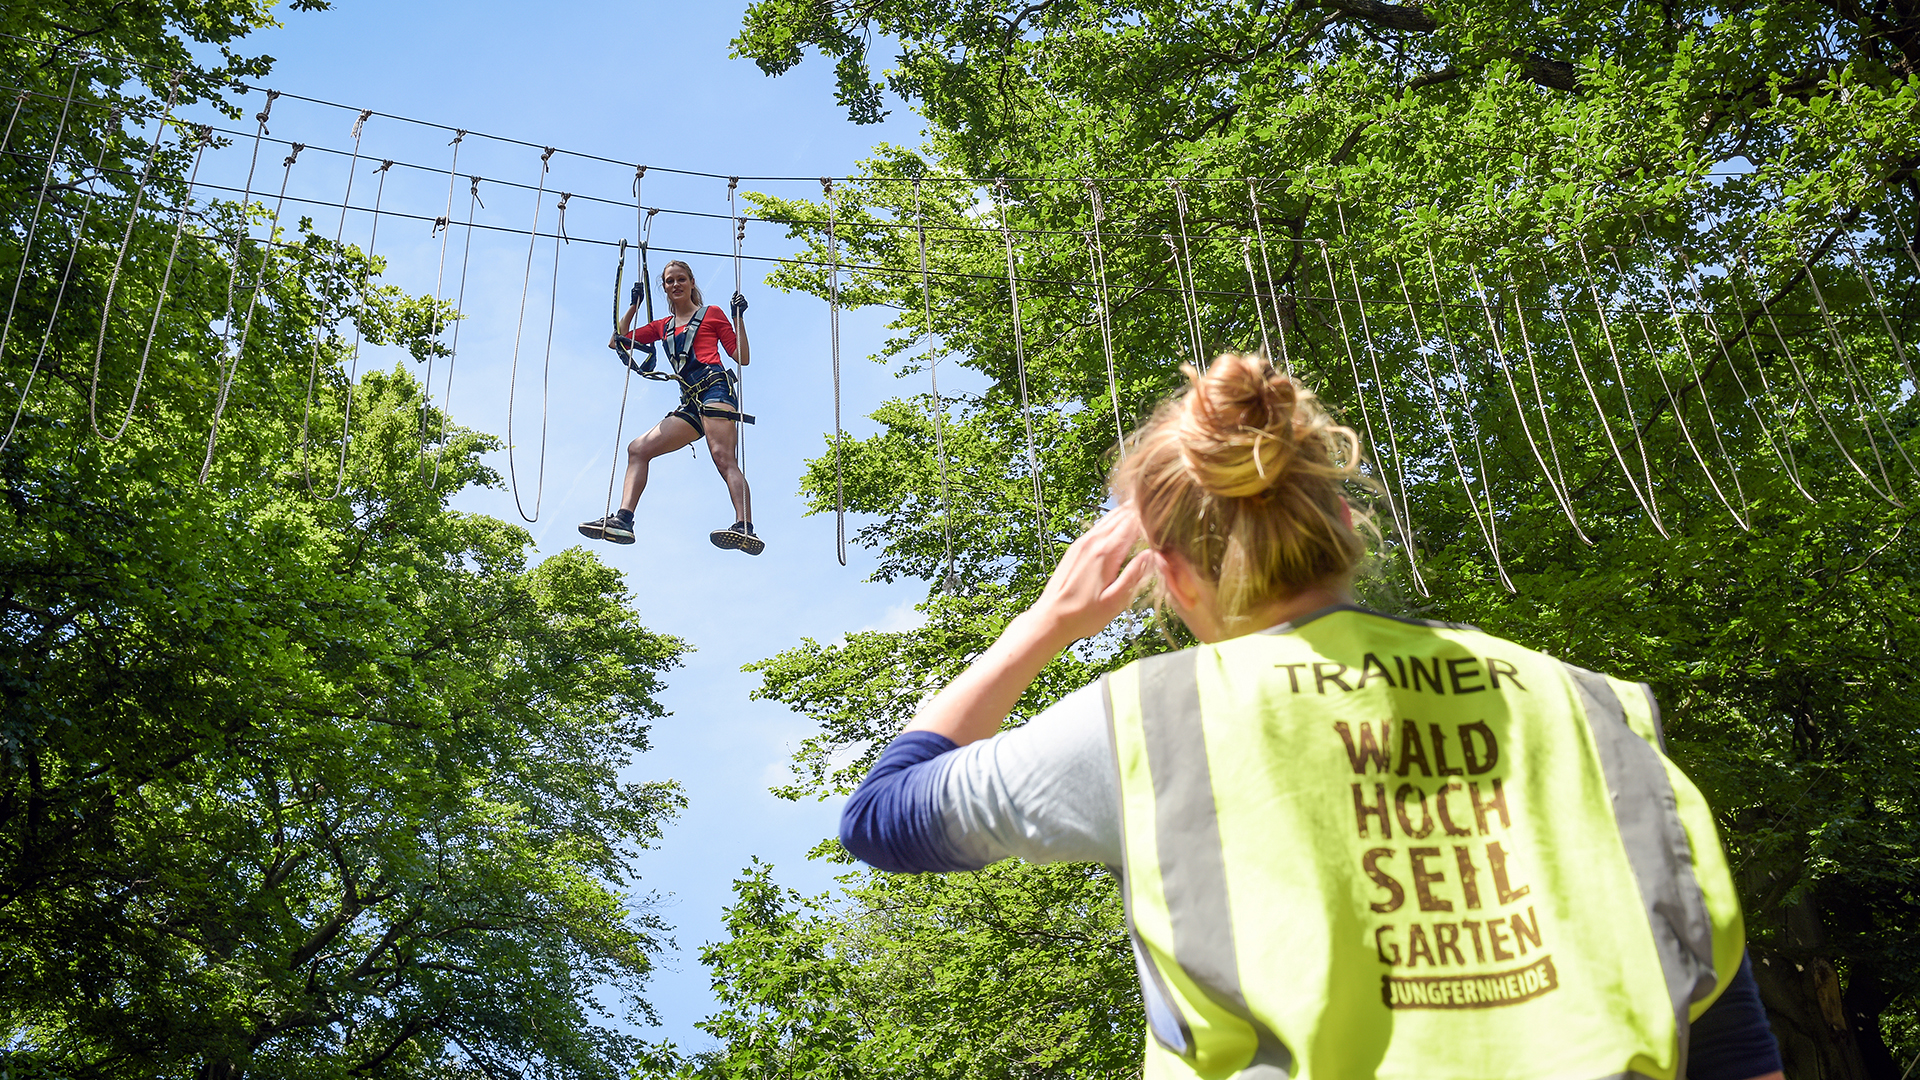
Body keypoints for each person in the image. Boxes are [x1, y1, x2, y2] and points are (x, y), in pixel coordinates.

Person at [839, 353, 1783, 1080]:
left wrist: (1046, 624)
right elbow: (1731, 1040)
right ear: (1339, 515)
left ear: (1166, 575)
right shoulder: (1585, 707)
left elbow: (883, 813)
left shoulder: (1151, 726)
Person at [578, 259, 762, 555]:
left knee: (722, 458)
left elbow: (741, 356)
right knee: (638, 449)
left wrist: (737, 317)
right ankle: (623, 519)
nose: (675, 285)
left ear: (691, 283)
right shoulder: (662, 326)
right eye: (669, 281)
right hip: (690, 401)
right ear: (664, 288)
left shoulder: (711, 314)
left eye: (680, 279)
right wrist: (634, 305)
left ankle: (744, 526)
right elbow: (617, 341)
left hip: (715, 390)